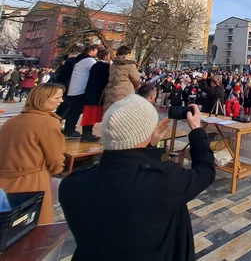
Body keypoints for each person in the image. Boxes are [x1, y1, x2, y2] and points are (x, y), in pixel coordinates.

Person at [59, 96, 215, 261]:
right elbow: (206, 171)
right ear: (145, 133)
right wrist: (197, 130)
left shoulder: (72, 183)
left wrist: (149, 146)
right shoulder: (163, 180)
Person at [0, 83, 66, 224]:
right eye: (57, 97)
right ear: (43, 99)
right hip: (33, 181)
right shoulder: (49, 122)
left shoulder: (11, 121)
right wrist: (56, 170)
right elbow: (55, 159)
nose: (61, 101)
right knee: (34, 228)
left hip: (5, 181)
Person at [63, 45, 99, 138]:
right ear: (90, 51)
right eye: (95, 51)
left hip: (74, 88)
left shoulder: (79, 59)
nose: (96, 53)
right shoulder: (89, 60)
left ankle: (69, 129)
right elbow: (96, 70)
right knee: (75, 111)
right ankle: (70, 131)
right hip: (81, 89)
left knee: (73, 111)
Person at [80, 48, 111, 143]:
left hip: (91, 91)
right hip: (98, 92)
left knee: (89, 113)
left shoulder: (95, 65)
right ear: (106, 56)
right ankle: (87, 134)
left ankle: (86, 133)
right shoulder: (105, 66)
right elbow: (107, 79)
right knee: (92, 113)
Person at [103, 46, 141, 112]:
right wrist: (136, 86)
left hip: (110, 91)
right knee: (122, 116)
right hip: (125, 92)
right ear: (128, 54)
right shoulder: (131, 65)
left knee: (110, 115)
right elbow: (136, 79)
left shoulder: (113, 65)